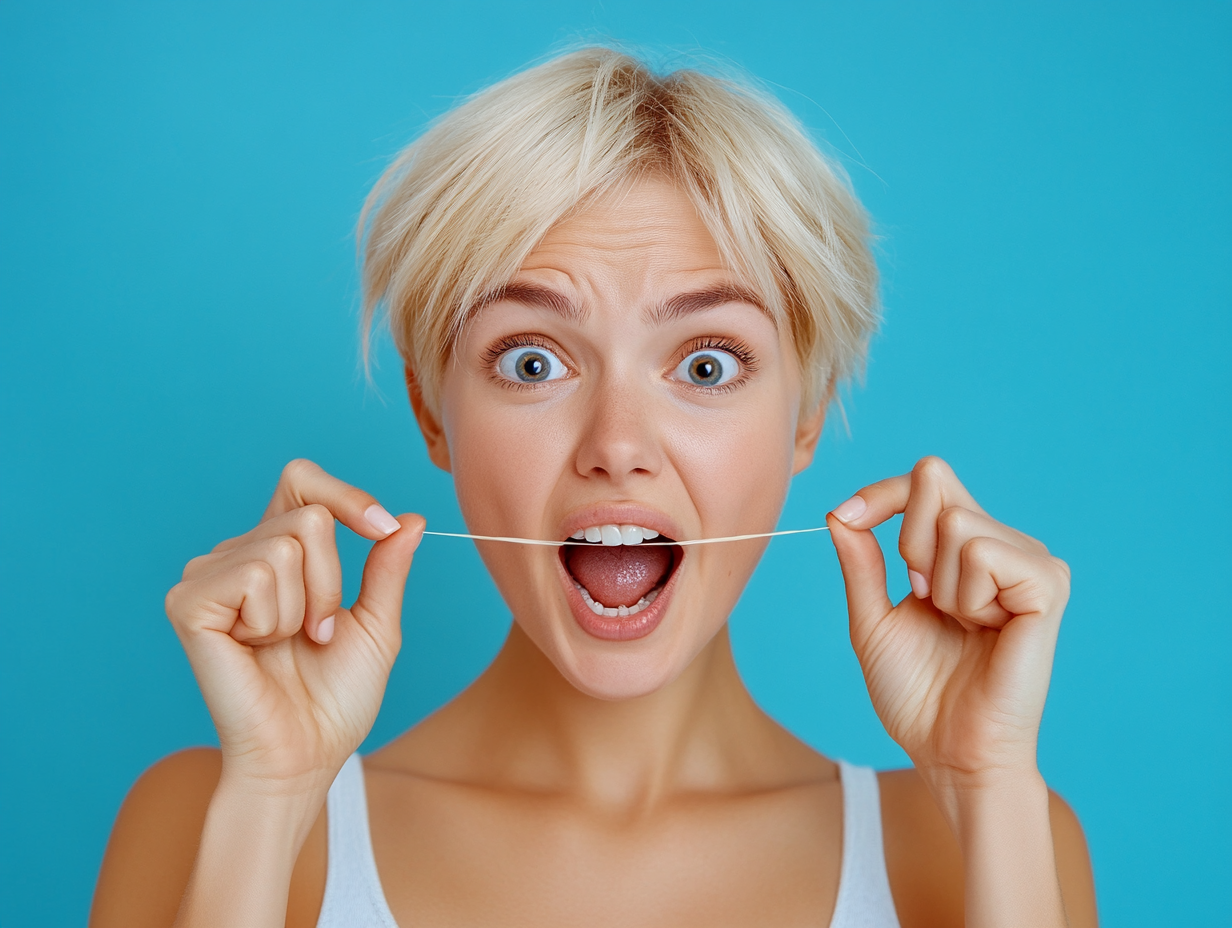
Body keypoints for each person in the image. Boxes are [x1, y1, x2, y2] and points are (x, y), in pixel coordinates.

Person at [89, 47, 1097, 927]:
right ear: (433, 413)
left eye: (705, 364)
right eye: (532, 361)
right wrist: (269, 801)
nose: (617, 446)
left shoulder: (991, 834)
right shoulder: (209, 817)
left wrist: (988, 787)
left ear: (804, 416)